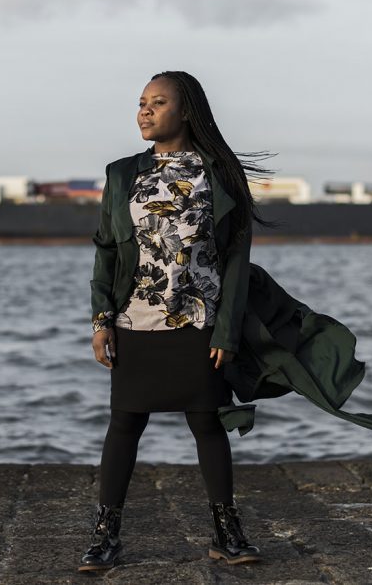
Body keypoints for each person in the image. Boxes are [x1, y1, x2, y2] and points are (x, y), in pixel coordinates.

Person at [82, 70, 273, 572]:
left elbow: (235, 260)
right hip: (134, 319)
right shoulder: (122, 173)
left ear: (185, 111)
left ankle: (227, 532)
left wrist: (227, 330)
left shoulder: (221, 176)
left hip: (200, 322)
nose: (144, 111)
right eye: (141, 102)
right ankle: (106, 535)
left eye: (158, 102)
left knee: (208, 424)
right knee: (124, 424)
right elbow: (106, 251)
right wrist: (101, 319)